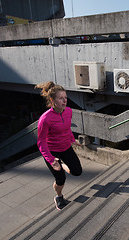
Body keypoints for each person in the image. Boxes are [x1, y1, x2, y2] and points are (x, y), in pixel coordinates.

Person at [35, 81, 82, 210]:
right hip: (52, 151)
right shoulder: (45, 119)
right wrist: (51, 160)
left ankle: (62, 165)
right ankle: (59, 196)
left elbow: (67, 129)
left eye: (65, 97)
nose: (65, 100)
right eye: (61, 98)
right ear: (52, 100)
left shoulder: (68, 112)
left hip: (65, 147)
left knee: (77, 172)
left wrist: (72, 140)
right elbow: (41, 142)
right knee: (60, 178)